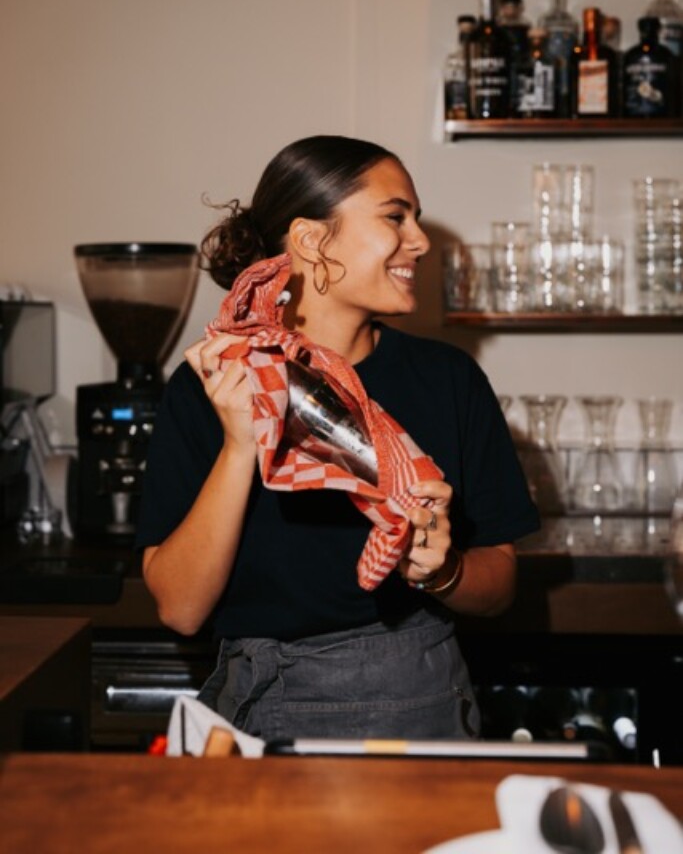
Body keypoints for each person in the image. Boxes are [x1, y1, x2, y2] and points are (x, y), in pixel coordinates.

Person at [136, 134, 539, 742]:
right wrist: (239, 446)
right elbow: (180, 609)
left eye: (417, 220)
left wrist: (444, 571)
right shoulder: (210, 386)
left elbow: (501, 584)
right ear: (310, 240)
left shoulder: (448, 380)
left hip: (412, 707)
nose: (421, 241)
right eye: (394, 217)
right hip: (247, 707)